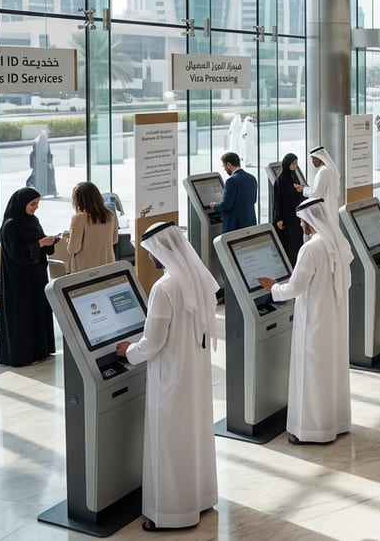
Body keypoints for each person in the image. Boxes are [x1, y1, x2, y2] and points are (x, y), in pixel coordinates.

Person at [117, 221, 218, 531]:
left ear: (159, 252)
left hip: (172, 376)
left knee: (170, 442)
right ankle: (199, 499)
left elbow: (153, 341)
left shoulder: (165, 287)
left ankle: (172, 514)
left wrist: (127, 352)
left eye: (149, 252)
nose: (148, 258)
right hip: (196, 374)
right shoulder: (196, 278)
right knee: (194, 438)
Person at [258, 198, 353, 444]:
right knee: (331, 369)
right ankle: (336, 422)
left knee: (311, 373)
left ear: (310, 220)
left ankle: (312, 431)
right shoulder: (336, 241)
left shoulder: (310, 248)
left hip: (314, 318)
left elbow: (296, 287)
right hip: (335, 316)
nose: (301, 224)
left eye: (302, 220)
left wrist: (274, 288)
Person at [0, 187, 59, 367]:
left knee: (38, 311)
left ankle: (41, 350)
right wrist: (40, 243)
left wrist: (50, 241)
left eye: (37, 204)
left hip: (37, 276)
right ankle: (24, 355)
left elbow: (38, 243)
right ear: (22, 204)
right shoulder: (10, 225)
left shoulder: (33, 221)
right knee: (24, 316)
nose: (35, 208)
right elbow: (16, 252)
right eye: (32, 204)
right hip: (19, 280)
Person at [65, 181, 117, 272]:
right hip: (108, 265)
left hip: (86, 269)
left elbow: (73, 248)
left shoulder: (79, 218)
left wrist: (69, 239)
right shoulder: (110, 215)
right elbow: (114, 240)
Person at [271, 153, 306, 265]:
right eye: (293, 163)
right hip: (286, 216)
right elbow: (277, 201)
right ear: (287, 164)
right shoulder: (280, 180)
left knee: (297, 241)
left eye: (296, 163)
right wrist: (278, 218)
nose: (295, 166)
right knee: (289, 243)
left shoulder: (294, 176)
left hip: (296, 215)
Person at [210, 152, 257, 233]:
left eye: (224, 166)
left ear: (229, 165)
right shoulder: (252, 178)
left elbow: (226, 205)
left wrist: (214, 206)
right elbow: (254, 200)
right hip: (250, 222)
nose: (224, 169)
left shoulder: (231, 181)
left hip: (235, 225)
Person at [27, 129, 58, 197]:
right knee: (49, 177)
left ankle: (42, 192)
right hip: (44, 162)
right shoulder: (44, 140)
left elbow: (34, 152)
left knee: (39, 177)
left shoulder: (36, 140)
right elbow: (48, 152)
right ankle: (51, 192)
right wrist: (50, 162)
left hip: (38, 162)